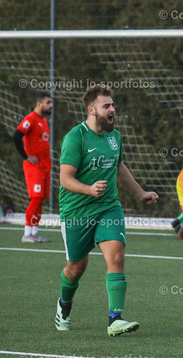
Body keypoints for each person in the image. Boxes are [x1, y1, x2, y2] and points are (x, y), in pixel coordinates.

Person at [55, 84, 159, 336]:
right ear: (92, 110)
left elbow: (119, 166)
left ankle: (115, 319)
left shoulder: (115, 137)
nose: (113, 109)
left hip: (108, 207)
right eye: (106, 106)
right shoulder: (75, 138)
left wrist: (140, 193)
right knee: (76, 268)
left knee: (116, 257)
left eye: (113, 105)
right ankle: (64, 304)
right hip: (76, 212)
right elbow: (65, 179)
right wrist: (89, 189)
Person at [13, 91, 53, 243]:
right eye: (48, 103)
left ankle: (35, 233)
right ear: (39, 103)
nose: (51, 106)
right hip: (34, 167)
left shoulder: (43, 120)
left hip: (45, 166)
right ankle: (27, 233)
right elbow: (17, 135)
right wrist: (26, 156)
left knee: (40, 199)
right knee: (35, 198)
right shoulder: (31, 118)